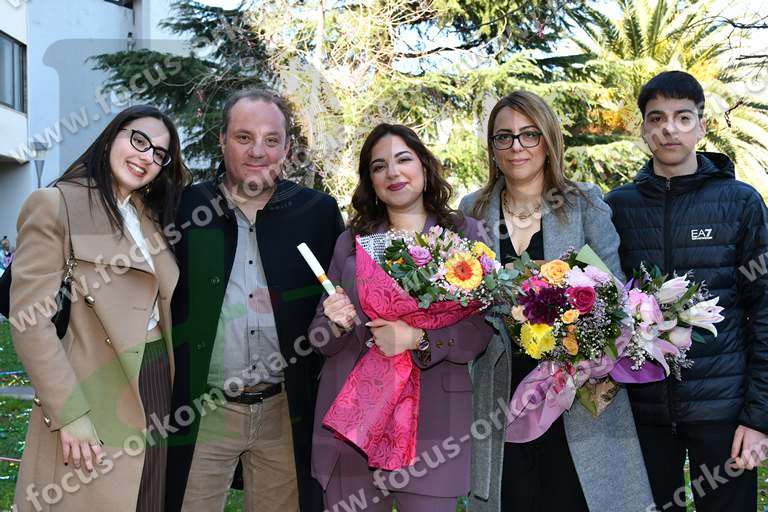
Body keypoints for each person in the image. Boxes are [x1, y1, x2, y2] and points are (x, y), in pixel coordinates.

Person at [459, 91, 653, 512]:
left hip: (575, 391)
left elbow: (617, 297)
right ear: (492, 147)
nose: (517, 147)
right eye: (504, 137)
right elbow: (464, 301)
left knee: (578, 497)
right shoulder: (472, 210)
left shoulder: (583, 202)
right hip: (502, 392)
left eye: (529, 134)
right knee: (512, 499)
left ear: (548, 140)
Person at [165, 88, 344, 512]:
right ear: (222, 140)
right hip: (204, 410)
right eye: (244, 137)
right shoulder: (185, 208)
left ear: (287, 148)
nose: (258, 151)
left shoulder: (317, 212)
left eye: (271, 140)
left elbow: (341, 299)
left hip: (284, 410)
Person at [11, 105, 190, 511]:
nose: (146, 157)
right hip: (90, 386)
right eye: (139, 140)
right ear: (110, 138)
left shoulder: (148, 216)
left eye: (159, 154)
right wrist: (70, 413)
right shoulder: (55, 204)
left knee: (147, 498)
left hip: (156, 378)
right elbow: (30, 322)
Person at [605, 70, 768, 512]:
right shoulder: (617, 207)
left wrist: (759, 418)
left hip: (723, 412)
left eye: (682, 117)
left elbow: (764, 312)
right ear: (643, 129)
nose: (669, 129)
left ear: (702, 125)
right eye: (656, 118)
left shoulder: (740, 202)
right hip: (643, 413)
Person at [310, 123, 494, 512]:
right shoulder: (350, 242)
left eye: (403, 159)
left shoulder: (464, 235)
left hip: (433, 425)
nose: (393, 173)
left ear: (424, 166)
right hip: (353, 422)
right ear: (370, 181)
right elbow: (319, 338)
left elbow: (482, 328)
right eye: (379, 166)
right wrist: (335, 323)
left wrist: (419, 339)